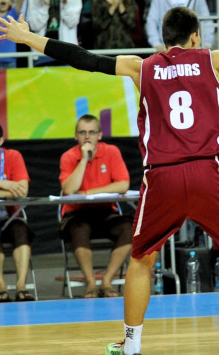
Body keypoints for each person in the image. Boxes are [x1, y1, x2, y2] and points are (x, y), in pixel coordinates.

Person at [0, 5, 219, 355]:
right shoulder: (212, 59)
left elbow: (83, 58)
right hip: (207, 172)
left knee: (141, 261)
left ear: (162, 39)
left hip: (162, 176)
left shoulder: (142, 66)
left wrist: (28, 37)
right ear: (195, 36)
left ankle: (132, 346)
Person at [58, 114, 132, 299]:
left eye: (91, 132)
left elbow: (123, 184)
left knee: (128, 228)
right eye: (82, 132)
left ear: (100, 135)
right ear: (76, 136)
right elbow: (69, 189)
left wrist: (90, 192)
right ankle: (90, 283)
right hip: (76, 215)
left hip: (106, 212)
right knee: (79, 229)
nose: (87, 137)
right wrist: (83, 159)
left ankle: (107, 281)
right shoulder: (68, 156)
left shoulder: (111, 151)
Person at [0, 120, 34, 303]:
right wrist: (2, 184)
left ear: (0, 140)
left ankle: (21, 286)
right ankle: (1, 287)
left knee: (21, 231)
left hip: (10, 216)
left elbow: (22, 191)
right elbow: (13, 190)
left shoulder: (13, 156)